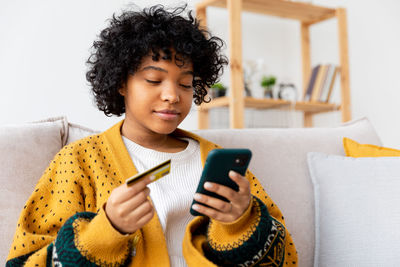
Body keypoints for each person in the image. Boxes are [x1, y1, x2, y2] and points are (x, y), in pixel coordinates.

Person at [7, 4, 297, 266]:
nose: (172, 95)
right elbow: (26, 261)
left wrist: (241, 221)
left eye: (185, 84)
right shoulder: (78, 160)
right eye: (154, 80)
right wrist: (107, 230)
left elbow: (287, 258)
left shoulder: (218, 160)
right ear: (121, 83)